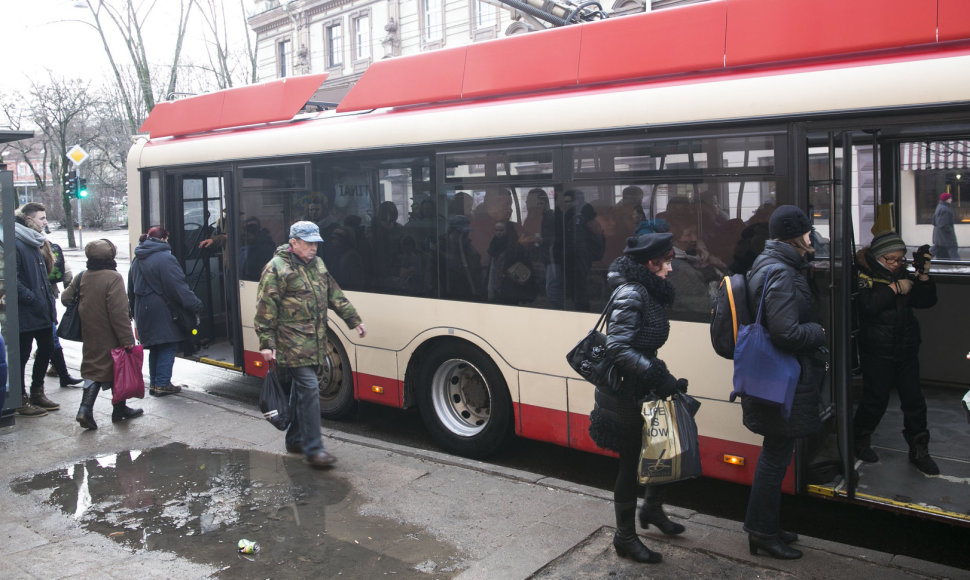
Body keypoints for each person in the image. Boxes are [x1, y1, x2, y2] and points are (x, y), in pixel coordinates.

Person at [588, 232, 688, 565]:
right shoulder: (632, 292)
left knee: (662, 447)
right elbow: (617, 347)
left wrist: (658, 377)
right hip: (625, 393)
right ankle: (625, 537)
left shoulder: (649, 290)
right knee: (630, 463)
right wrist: (658, 376)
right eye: (668, 262)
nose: (671, 269)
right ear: (651, 262)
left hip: (644, 383)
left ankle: (653, 508)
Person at [741, 205, 827, 560]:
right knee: (775, 457)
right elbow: (785, 331)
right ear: (796, 236)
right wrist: (818, 331)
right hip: (783, 381)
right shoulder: (782, 273)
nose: (813, 238)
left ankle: (766, 527)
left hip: (778, 378)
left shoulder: (773, 264)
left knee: (775, 455)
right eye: (808, 233)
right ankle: (762, 533)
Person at [255, 221, 367, 469]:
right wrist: (266, 342)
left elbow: (334, 294)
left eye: (316, 242)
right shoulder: (277, 268)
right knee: (310, 388)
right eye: (308, 243)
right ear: (293, 243)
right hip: (290, 344)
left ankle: (294, 439)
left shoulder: (317, 265)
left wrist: (354, 320)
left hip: (314, 341)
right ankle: (314, 449)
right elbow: (265, 308)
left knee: (301, 390)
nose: (314, 248)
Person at [853, 232, 939, 475]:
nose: (896, 264)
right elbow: (867, 306)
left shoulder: (902, 273)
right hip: (877, 349)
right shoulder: (863, 273)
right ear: (878, 256)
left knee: (914, 402)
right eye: (891, 259)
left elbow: (925, 301)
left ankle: (919, 449)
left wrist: (923, 275)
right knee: (875, 400)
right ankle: (859, 440)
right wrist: (893, 288)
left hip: (906, 347)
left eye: (900, 260)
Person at [62, 239, 143, 429]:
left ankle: (110, 409)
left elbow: (66, 298)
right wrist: (127, 339)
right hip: (111, 334)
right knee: (116, 367)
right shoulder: (113, 277)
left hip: (89, 332)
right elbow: (119, 313)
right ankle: (88, 410)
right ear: (110, 256)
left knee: (94, 368)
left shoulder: (83, 276)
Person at [129, 227, 204, 397]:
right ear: (163, 239)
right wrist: (195, 304)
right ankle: (162, 384)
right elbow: (178, 287)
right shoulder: (165, 258)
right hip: (162, 309)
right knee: (168, 344)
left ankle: (155, 383)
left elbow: (130, 289)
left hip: (143, 309)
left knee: (156, 346)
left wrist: (134, 311)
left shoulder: (138, 258)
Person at [14, 203, 58, 417]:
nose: (45, 221)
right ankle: (20, 397)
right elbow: (11, 279)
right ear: (29, 220)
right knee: (22, 355)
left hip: (41, 310)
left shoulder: (33, 241)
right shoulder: (17, 242)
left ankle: (37, 392)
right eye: (42, 218)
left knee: (47, 347)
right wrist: (32, 298)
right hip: (26, 311)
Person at [45, 238, 83, 388]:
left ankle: (61, 373)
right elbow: (66, 272)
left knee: (49, 338)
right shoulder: (44, 243)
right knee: (49, 338)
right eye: (42, 218)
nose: (45, 222)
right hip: (45, 297)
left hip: (43, 298)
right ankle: (61, 374)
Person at [931, 192, 959, 260]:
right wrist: (950, 231)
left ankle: (922, 260)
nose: (951, 199)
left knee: (937, 248)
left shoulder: (940, 207)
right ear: (946, 199)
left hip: (939, 234)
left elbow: (934, 221)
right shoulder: (945, 209)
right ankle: (958, 265)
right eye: (950, 198)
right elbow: (943, 224)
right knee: (952, 248)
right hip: (945, 235)